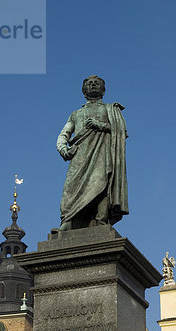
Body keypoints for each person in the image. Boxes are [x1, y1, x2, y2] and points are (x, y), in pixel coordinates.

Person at [56, 75, 128, 230]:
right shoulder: (76, 114)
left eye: (97, 83)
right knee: (70, 188)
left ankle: (101, 220)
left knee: (101, 183)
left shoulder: (110, 109)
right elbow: (64, 134)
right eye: (90, 83)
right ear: (84, 91)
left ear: (103, 90)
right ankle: (68, 220)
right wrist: (63, 148)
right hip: (79, 156)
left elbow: (122, 131)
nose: (93, 85)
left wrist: (99, 125)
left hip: (102, 154)